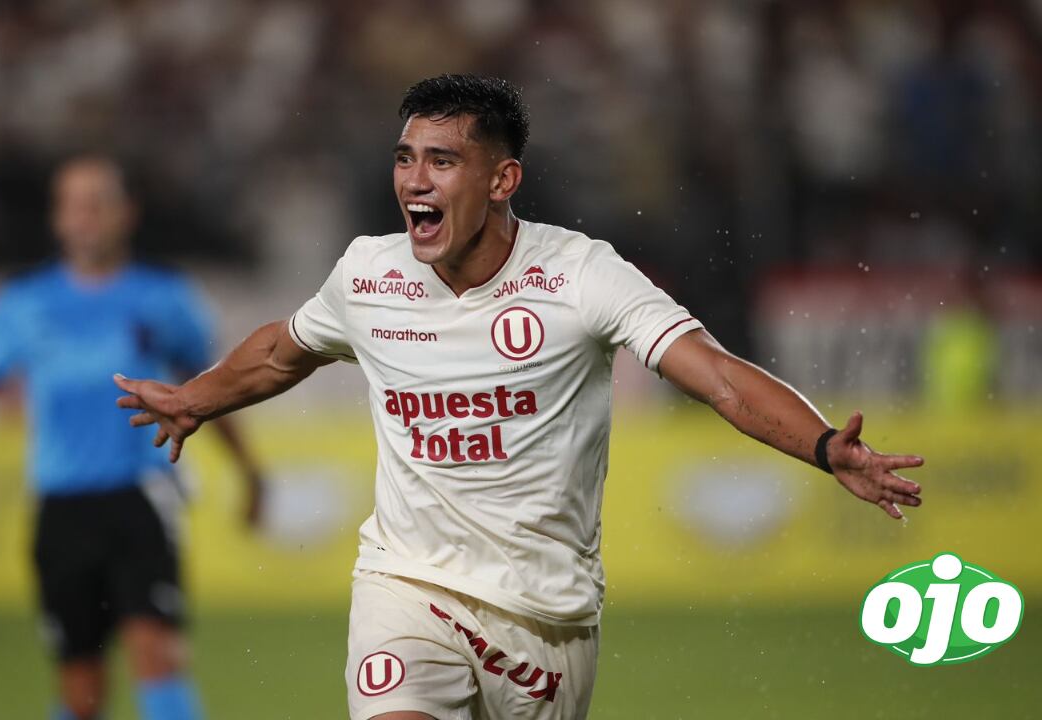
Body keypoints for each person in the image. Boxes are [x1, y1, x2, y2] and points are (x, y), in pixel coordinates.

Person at [113, 75, 924, 720]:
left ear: (503, 179)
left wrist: (823, 446)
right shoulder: (368, 272)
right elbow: (282, 351)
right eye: (404, 157)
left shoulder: (580, 275)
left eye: (441, 161)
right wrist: (197, 399)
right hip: (408, 584)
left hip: (546, 618)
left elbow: (712, 372)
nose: (413, 181)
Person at [0, 155, 264, 720]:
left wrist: (250, 471)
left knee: (157, 656)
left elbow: (211, 389)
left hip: (140, 498)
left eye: (96, 203)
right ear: (57, 219)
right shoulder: (26, 302)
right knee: (81, 686)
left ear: (126, 213)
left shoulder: (164, 296)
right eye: (71, 205)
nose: (83, 217)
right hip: (61, 509)